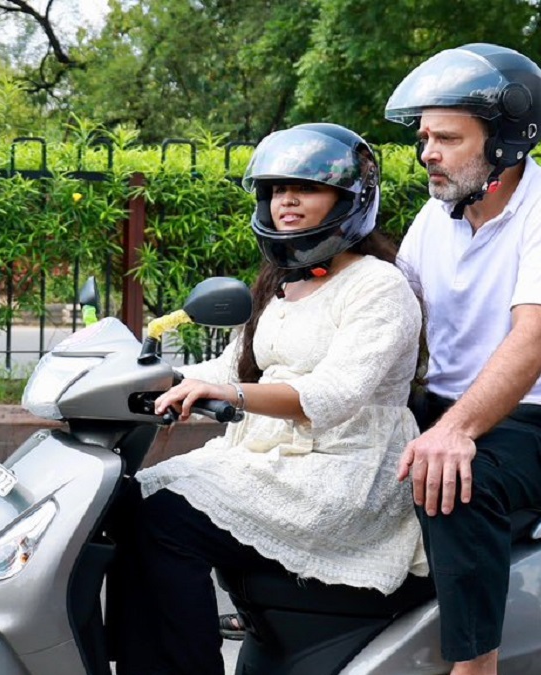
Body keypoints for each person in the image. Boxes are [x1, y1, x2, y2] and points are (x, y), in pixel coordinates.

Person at [111, 122, 426, 675]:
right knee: (129, 500)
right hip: (270, 460)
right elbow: (230, 367)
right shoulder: (286, 283)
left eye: (305, 188)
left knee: (165, 521)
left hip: (342, 470)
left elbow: (333, 394)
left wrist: (227, 393)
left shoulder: (379, 285)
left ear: (349, 200)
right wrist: (142, 376)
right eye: (276, 189)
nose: (286, 201)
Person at [384, 43, 541, 674]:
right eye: (425, 137)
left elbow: (536, 334)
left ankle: (476, 665)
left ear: (506, 142)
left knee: (457, 481)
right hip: (451, 406)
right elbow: (396, 311)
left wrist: (454, 431)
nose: (427, 152)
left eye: (447, 138)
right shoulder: (437, 215)